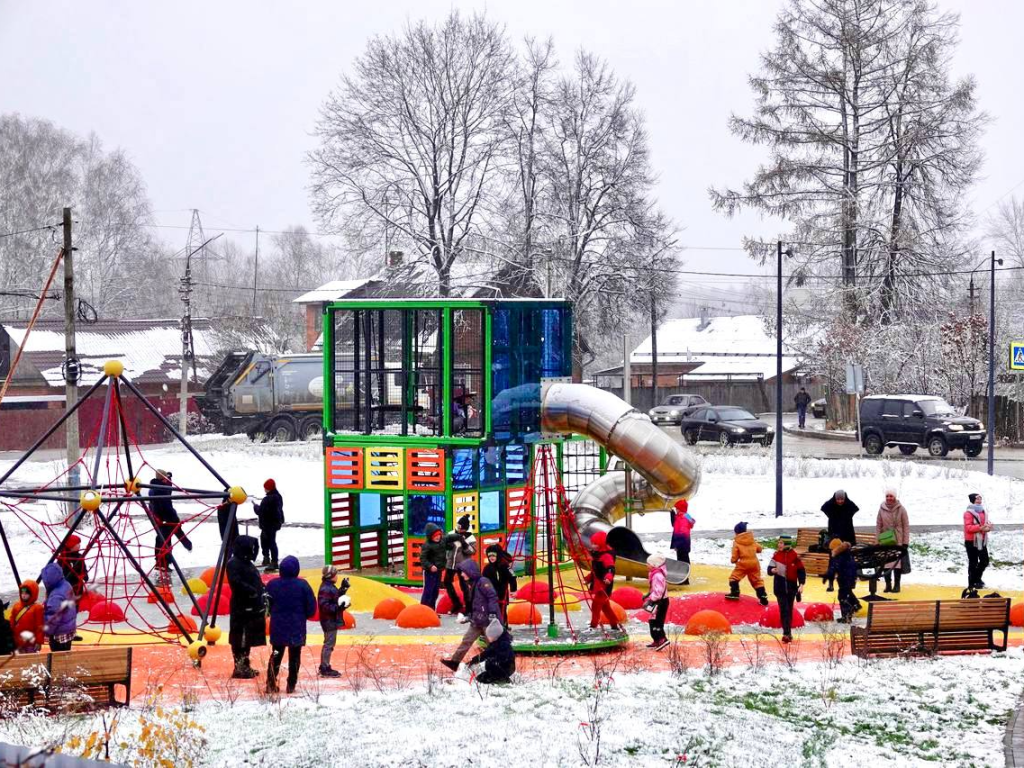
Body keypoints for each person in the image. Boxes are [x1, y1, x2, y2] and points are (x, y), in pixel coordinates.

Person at [265, 555, 317, 694]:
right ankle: (291, 684)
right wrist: (304, 615)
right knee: (295, 656)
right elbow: (311, 608)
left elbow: (266, 605)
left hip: (278, 626)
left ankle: (270, 683)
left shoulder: (272, 584)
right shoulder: (303, 585)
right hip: (297, 626)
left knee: (276, 654)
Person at [440, 559, 499, 672]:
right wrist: (469, 616)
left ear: (470, 571)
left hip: (487, 620)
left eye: (463, 572)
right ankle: (454, 662)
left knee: (492, 645)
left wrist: (492, 613)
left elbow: (492, 597)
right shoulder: (472, 584)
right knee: (467, 640)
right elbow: (475, 604)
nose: (461, 574)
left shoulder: (483, 581)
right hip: (477, 620)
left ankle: (497, 665)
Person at [226, 535, 266, 679]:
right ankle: (239, 666)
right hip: (241, 607)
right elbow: (236, 583)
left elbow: (254, 580)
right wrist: (252, 591)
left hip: (250, 606)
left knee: (246, 637)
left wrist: (262, 590)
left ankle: (245, 664)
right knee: (240, 638)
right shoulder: (234, 563)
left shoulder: (246, 562)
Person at [148, 469, 193, 591]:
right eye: (166, 478)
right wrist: (171, 517)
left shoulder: (156, 486)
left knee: (165, 538)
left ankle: (164, 561)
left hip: (160, 518)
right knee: (166, 539)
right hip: (165, 517)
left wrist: (169, 478)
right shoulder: (159, 490)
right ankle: (163, 562)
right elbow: (163, 504)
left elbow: (168, 487)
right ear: (162, 479)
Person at [766, 535, 805, 643]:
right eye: (778, 542)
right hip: (779, 588)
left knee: (789, 610)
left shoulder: (794, 556)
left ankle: (788, 633)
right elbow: (769, 570)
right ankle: (786, 633)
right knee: (784, 610)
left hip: (792, 588)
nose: (779, 544)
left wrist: (801, 584)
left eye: (781, 543)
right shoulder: (776, 556)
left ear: (787, 545)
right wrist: (772, 570)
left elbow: (801, 571)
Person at [820, 490, 859, 591]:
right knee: (832, 561)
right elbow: (824, 507)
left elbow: (855, 508)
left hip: (847, 538)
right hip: (834, 538)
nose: (840, 501)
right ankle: (830, 583)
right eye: (838, 499)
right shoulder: (831, 507)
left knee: (847, 561)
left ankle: (848, 583)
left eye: (842, 499)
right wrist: (832, 501)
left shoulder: (849, 507)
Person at [586, 530, 623, 631]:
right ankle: (615, 625)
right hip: (598, 584)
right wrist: (588, 578)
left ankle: (593, 625)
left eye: (595, 544)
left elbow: (610, 568)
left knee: (596, 605)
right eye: (592, 543)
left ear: (600, 544)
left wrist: (608, 577)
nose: (592, 545)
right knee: (606, 607)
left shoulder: (606, 556)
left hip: (604, 586)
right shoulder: (597, 555)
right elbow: (595, 571)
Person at [317, 566, 351, 678]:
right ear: (330, 576)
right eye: (335, 574)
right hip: (328, 620)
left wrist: (343, 588)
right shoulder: (326, 589)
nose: (337, 576)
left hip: (330, 620)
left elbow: (335, 597)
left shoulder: (329, 587)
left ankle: (325, 666)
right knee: (329, 644)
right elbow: (325, 606)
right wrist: (338, 608)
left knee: (329, 643)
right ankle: (324, 667)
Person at [876, 488, 911, 593]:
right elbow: (878, 525)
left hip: (898, 539)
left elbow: (906, 526)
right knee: (886, 563)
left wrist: (905, 542)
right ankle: (888, 585)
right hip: (885, 540)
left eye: (891, 496)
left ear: (895, 497)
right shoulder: (881, 509)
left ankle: (897, 585)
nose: (889, 498)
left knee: (896, 564)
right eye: (887, 496)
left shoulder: (901, 509)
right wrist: (877, 541)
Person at [727, 522, 769, 606]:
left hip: (743, 563)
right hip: (754, 563)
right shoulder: (751, 540)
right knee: (757, 581)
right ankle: (763, 596)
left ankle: (735, 593)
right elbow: (759, 549)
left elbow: (735, 556)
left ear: (736, 532)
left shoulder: (737, 542)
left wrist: (733, 560)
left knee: (734, 578)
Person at [443, 515, 476, 615]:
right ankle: (456, 603)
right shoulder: (451, 534)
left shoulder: (470, 537)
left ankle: (469, 608)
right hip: (450, 564)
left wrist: (464, 543)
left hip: (463, 565)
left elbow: (472, 551)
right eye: (458, 526)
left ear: (465, 528)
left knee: (464, 586)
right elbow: (444, 544)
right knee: (447, 582)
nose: (458, 529)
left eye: (460, 527)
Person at [466, 619, 516, 684]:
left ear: (495, 636)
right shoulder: (494, 643)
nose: (488, 638)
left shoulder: (504, 644)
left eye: (489, 636)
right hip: (494, 670)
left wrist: (492, 660)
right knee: (479, 679)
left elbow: (503, 657)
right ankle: (501, 681)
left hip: (505, 668)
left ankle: (505, 682)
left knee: (493, 679)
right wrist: (475, 660)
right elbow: (486, 653)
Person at [41, 563, 77, 652]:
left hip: (59, 634)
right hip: (69, 629)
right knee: (66, 653)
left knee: (57, 656)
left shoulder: (56, 596)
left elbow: (53, 618)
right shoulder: (66, 584)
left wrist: (47, 632)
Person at [825, 539, 861, 622]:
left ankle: (847, 616)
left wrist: (828, 575)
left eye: (831, 549)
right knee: (847, 593)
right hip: (850, 578)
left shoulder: (839, 557)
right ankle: (855, 605)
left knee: (842, 596)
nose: (831, 551)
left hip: (845, 578)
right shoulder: (847, 554)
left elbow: (834, 568)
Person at [482, 543, 517, 625]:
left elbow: (512, 577)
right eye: (489, 556)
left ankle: (504, 625)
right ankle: (493, 626)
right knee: (491, 611)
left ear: (498, 555)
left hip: (502, 594)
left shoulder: (504, 566)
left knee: (501, 610)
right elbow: (483, 581)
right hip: (490, 594)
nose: (491, 558)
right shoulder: (487, 568)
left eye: (493, 556)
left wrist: (513, 590)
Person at [964, 493, 993, 591]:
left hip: (982, 540)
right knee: (973, 562)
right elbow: (968, 528)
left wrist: (988, 526)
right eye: (977, 499)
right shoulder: (968, 513)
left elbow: (985, 523)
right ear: (972, 500)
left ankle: (976, 579)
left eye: (980, 498)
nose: (979, 500)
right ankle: (972, 583)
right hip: (971, 541)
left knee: (984, 561)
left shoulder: (983, 511)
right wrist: (981, 528)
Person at [253, 479, 284, 572]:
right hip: (274, 523)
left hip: (268, 525)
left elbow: (260, 511)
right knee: (267, 541)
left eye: (265, 488)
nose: (264, 489)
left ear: (268, 488)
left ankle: (273, 562)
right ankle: (267, 559)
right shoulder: (278, 496)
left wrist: (255, 507)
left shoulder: (268, 499)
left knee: (269, 542)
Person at [643, 553, 670, 651]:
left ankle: (662, 639)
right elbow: (654, 588)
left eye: (648, 563)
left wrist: (650, 600)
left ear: (654, 565)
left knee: (658, 621)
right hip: (657, 601)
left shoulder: (657, 576)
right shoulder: (653, 574)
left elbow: (659, 592)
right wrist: (648, 594)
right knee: (652, 620)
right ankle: (656, 639)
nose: (646, 565)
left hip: (661, 602)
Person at [10, 580, 44, 653]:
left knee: (30, 661)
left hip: (31, 643)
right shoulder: (16, 606)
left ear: (33, 593)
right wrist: (11, 638)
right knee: (19, 662)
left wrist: (39, 641)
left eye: (27, 593)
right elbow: (12, 623)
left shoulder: (38, 608)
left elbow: (40, 626)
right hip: (18, 642)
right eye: (22, 592)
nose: (24, 595)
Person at [419, 523, 446, 609]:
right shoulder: (427, 545)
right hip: (429, 571)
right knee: (428, 591)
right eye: (435, 536)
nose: (438, 537)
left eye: (439, 535)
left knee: (435, 591)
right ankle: (424, 609)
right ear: (430, 536)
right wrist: (430, 566)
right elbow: (423, 559)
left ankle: (431, 609)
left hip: (438, 570)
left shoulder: (441, 543)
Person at [668, 499, 694, 585]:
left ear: (681, 509)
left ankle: (684, 578)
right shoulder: (685, 516)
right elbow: (674, 524)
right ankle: (684, 578)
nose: (676, 510)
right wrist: (672, 513)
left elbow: (680, 529)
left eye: (677, 508)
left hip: (681, 542)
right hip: (684, 542)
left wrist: (677, 543)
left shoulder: (682, 517)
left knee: (682, 560)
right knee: (683, 559)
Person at [57, 534, 88, 598]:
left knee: (77, 600)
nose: (79, 545)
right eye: (77, 544)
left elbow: (83, 568)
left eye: (79, 543)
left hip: (78, 586)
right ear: (71, 545)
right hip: (67, 585)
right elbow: (60, 570)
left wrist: (85, 576)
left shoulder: (79, 556)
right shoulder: (63, 557)